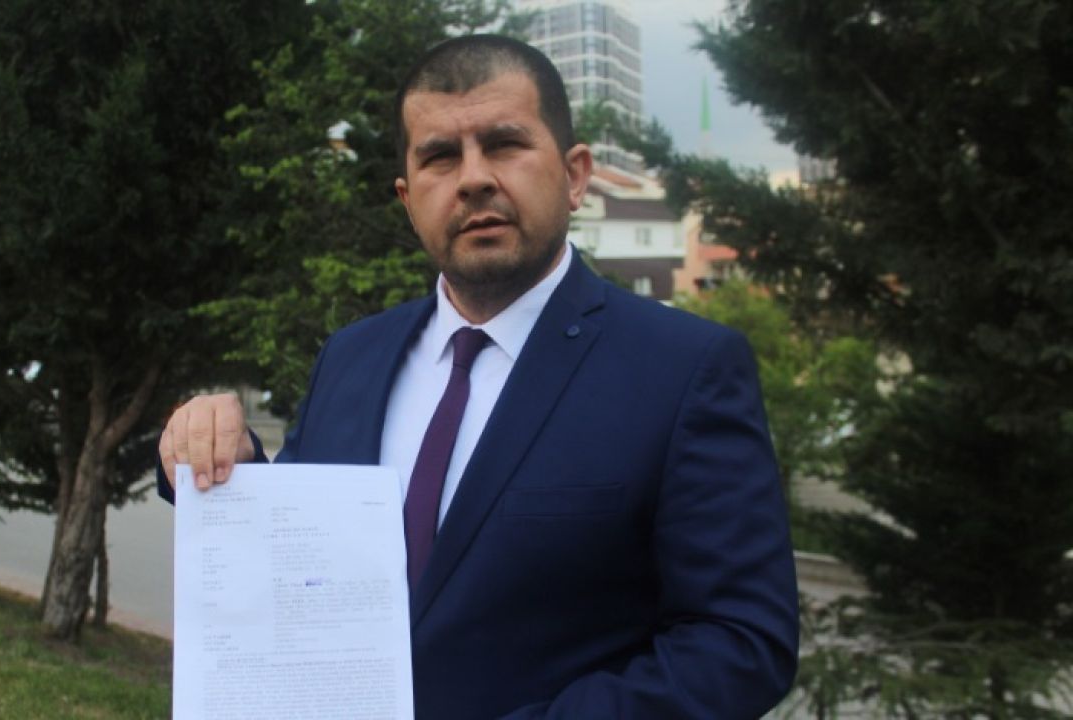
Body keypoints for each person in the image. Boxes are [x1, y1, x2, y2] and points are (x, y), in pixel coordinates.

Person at [158, 34, 798, 718]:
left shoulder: (684, 367)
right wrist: (222, 459)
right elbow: (303, 549)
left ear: (575, 175)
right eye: (439, 157)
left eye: (504, 144)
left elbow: (739, 642)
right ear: (408, 198)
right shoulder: (350, 357)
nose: (472, 179)